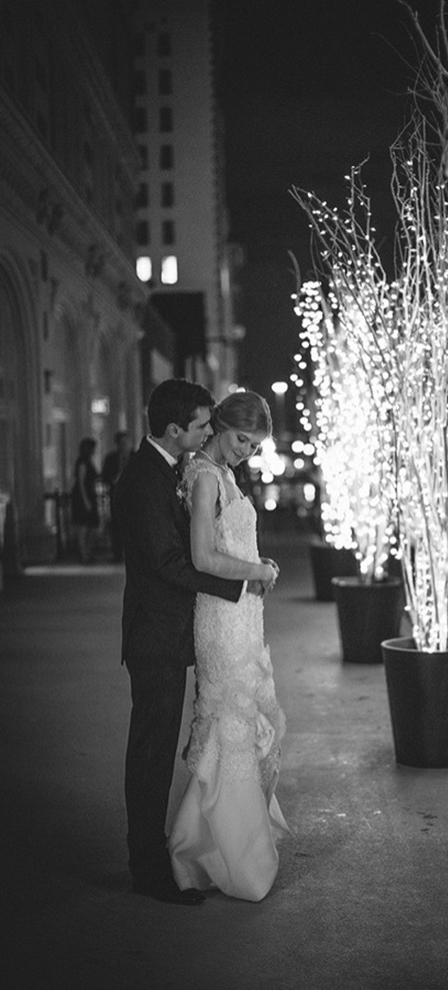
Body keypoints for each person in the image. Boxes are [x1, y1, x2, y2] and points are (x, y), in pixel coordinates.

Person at [113, 379, 273, 906]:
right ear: (175, 428)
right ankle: (150, 866)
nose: (210, 430)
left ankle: (175, 850)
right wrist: (242, 580)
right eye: (204, 424)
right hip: (154, 636)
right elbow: (170, 562)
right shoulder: (144, 479)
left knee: (160, 750)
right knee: (151, 754)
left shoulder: (175, 471)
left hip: (177, 629)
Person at [169, 391, 289, 902]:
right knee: (230, 725)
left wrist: (261, 570)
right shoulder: (202, 478)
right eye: (242, 440)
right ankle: (225, 854)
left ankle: (218, 845)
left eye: (255, 445)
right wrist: (257, 571)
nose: (246, 451)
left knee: (247, 717)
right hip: (220, 618)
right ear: (218, 425)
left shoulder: (227, 475)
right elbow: (202, 557)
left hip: (244, 613)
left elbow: (235, 544)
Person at [102, 431, 133, 561]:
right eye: (121, 443)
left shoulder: (135, 456)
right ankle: (117, 554)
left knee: (132, 524)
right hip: (116, 494)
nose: (123, 446)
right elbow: (105, 475)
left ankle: (132, 553)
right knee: (116, 525)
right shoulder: (111, 458)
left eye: (125, 443)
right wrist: (112, 479)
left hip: (133, 496)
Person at [70, 437, 100, 563]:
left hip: (89, 494)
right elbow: (81, 483)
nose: (95, 450)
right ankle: (83, 554)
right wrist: (86, 500)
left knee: (90, 525)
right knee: (83, 526)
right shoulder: (82, 462)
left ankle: (87, 552)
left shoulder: (88, 461)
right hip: (83, 496)